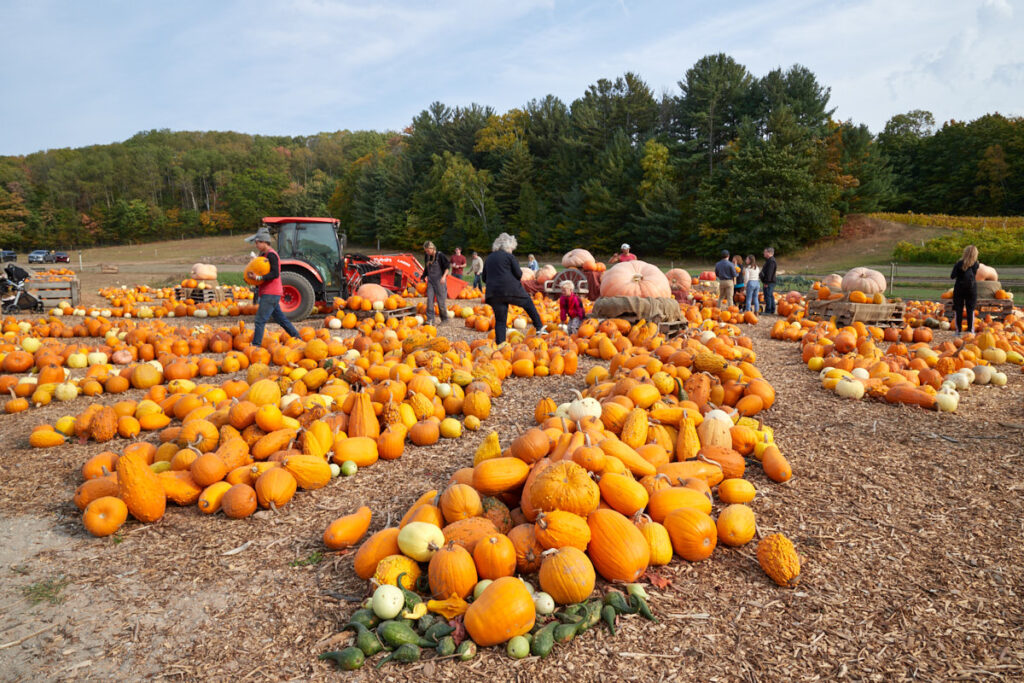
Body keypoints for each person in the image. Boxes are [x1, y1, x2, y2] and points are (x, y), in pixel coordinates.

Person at [483, 233, 543, 346]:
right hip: (510, 289)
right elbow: (519, 274)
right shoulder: (509, 256)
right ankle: (539, 326)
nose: (512, 251)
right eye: (512, 248)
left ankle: (501, 345)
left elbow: (484, 278)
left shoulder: (489, 258)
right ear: (508, 246)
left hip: (493, 293)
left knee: (500, 321)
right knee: (528, 303)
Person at [245, 228, 300, 347]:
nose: (256, 245)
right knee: (281, 319)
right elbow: (259, 269)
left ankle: (255, 346)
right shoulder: (263, 255)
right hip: (269, 293)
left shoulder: (272, 255)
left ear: (265, 242)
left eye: (258, 242)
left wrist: (258, 278)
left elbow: (275, 273)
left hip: (271, 293)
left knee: (260, 320)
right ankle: (298, 338)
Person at [950, 244, 979, 336]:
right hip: (971, 289)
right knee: (970, 310)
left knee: (959, 309)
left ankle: (958, 331)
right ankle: (971, 331)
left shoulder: (959, 264)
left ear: (965, 253)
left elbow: (952, 276)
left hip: (959, 288)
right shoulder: (976, 264)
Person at [760, 247, 777, 314]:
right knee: (770, 295)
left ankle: (768, 310)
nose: (763, 253)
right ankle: (772, 309)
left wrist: (766, 282)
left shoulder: (771, 261)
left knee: (767, 296)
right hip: (769, 281)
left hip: (769, 282)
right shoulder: (769, 260)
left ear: (769, 253)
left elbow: (769, 273)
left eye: (765, 252)